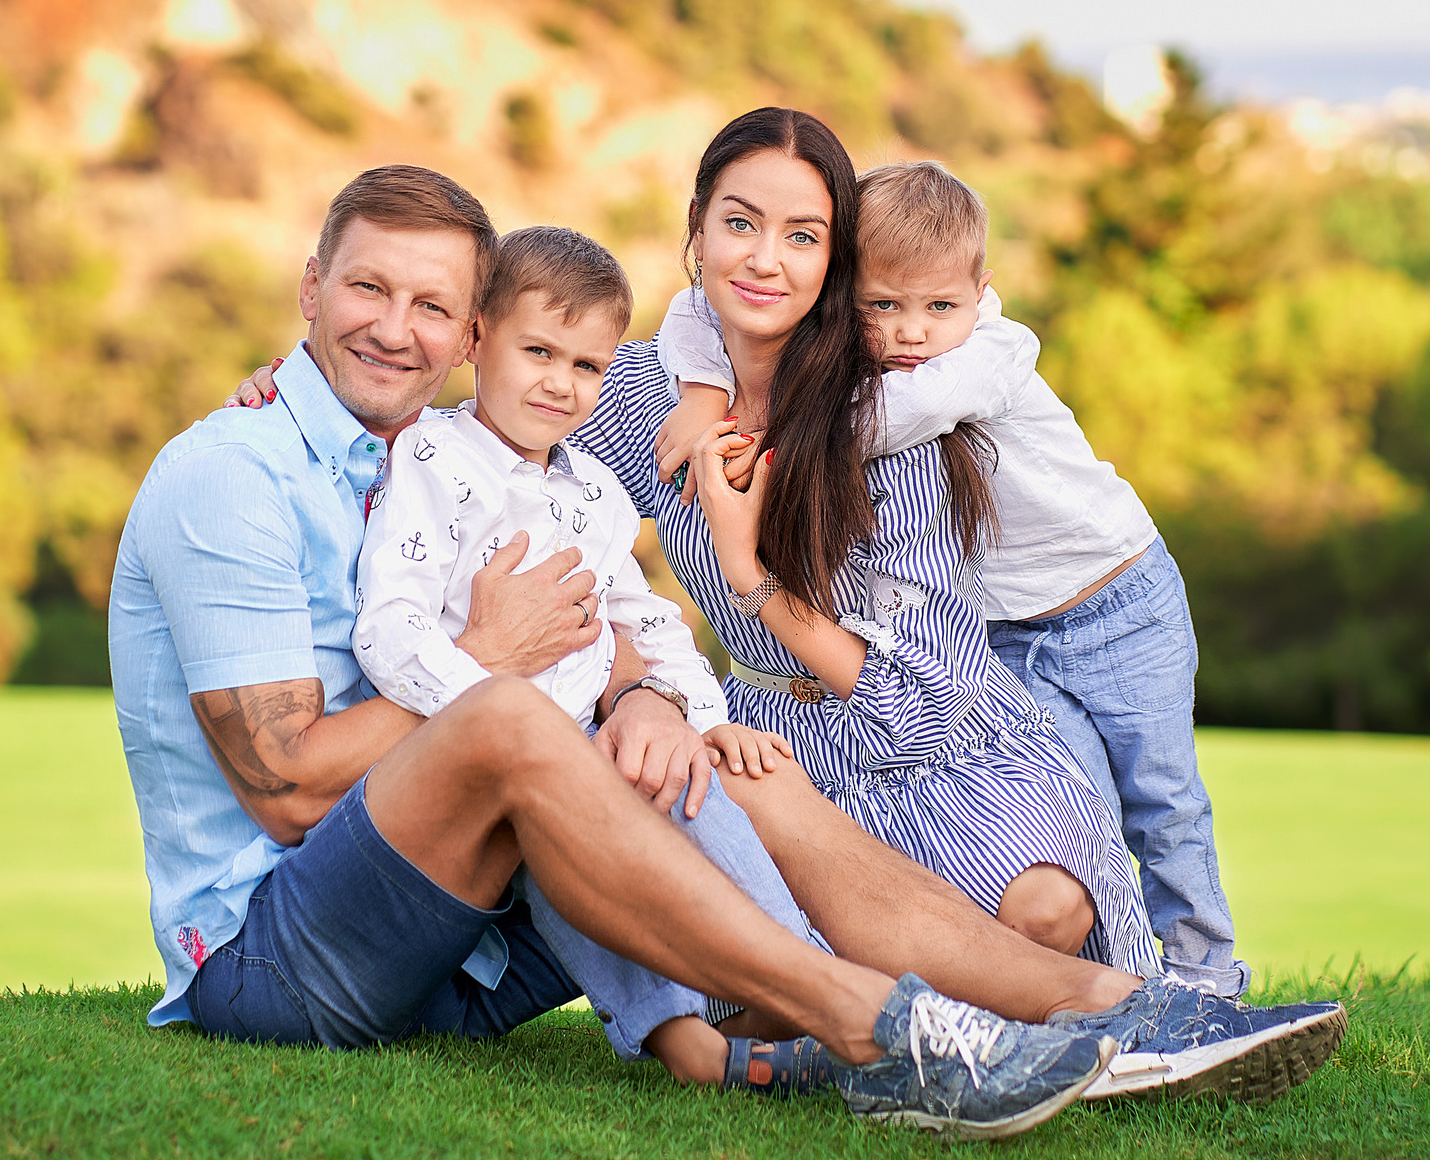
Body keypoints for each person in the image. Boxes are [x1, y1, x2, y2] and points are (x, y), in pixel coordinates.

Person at [115, 161, 1123, 1138]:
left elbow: (604, 618)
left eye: (431, 306)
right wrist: (491, 660)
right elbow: (286, 786)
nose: (394, 327)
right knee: (511, 717)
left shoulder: (445, 453)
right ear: (309, 289)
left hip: (465, 943)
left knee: (721, 762)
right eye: (367, 288)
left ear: (471, 333)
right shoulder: (231, 479)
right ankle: (870, 1022)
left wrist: (649, 706)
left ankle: (1111, 1005)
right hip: (279, 959)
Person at [564, 108, 1343, 1101]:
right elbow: (504, 442)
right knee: (751, 981)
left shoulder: (892, 413)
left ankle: (1113, 1011)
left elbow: (916, 699)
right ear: (696, 233)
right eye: (737, 224)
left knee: (1047, 910)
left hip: (938, 730)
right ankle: (1013, 1037)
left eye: (802, 237)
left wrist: (743, 564)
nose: (764, 260)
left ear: (836, 266)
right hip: (774, 731)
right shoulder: (641, 394)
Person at [652, 158, 1247, 996]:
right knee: (1088, 812)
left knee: (1165, 797)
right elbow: (690, 306)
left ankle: (1209, 980)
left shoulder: (984, 358)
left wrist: (769, 431)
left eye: (938, 308)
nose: (910, 334)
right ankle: (1109, 996)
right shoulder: (874, 351)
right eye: (882, 307)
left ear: (981, 292)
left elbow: (887, 417)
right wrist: (702, 386)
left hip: (1115, 599)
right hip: (1004, 631)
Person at [352, 223, 831, 1091]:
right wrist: (511, 718)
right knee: (564, 831)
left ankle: (796, 975)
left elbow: (643, 618)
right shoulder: (428, 456)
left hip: (592, 739)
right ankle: (689, 1039)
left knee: (691, 785)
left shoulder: (596, 490)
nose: (561, 383)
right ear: (476, 339)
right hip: (489, 758)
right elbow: (390, 630)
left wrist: (697, 716)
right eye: (538, 350)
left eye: (587, 366)